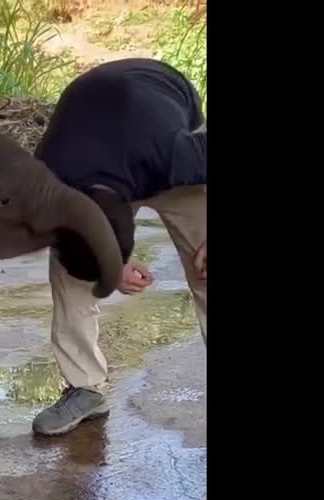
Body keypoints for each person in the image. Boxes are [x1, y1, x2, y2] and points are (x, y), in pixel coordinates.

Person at [32, 58, 207, 436]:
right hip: (100, 118)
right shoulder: (44, 182)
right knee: (67, 271)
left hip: (160, 95)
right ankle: (85, 388)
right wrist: (110, 269)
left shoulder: (176, 155)